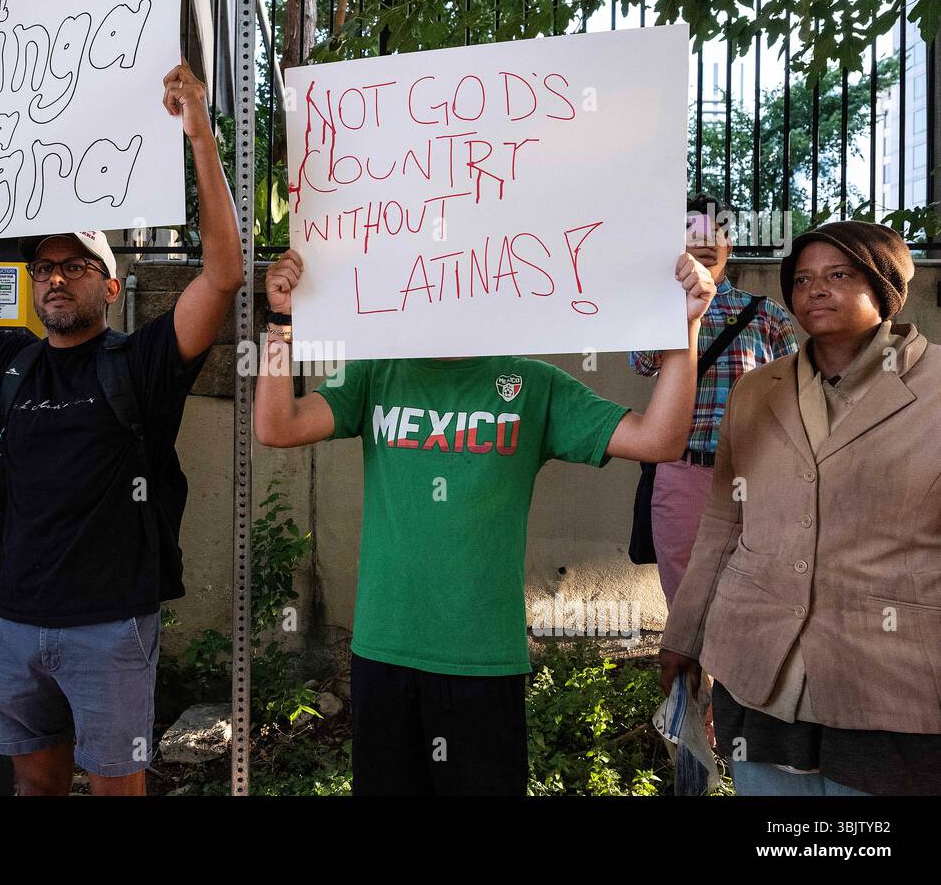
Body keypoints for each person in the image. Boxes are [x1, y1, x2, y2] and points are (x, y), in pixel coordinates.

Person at [0, 59, 241, 796]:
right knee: (34, 788)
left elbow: (221, 274)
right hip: (18, 624)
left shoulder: (143, 360)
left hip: (112, 626)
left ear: (111, 285)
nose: (56, 276)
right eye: (43, 266)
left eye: (76, 265)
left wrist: (200, 140)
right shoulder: (8, 361)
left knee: (115, 789)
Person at [255, 247, 717, 795]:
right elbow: (277, 426)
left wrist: (683, 332)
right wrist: (280, 325)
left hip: (483, 660)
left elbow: (659, 440)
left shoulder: (533, 383)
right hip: (384, 650)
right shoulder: (378, 372)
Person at [659, 221, 941, 796]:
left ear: (885, 288)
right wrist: (683, 636)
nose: (817, 289)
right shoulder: (757, 390)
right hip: (760, 675)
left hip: (892, 685)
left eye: (840, 275)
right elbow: (722, 524)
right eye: (804, 278)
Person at [629, 193, 797, 606]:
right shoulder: (658, 309)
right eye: (689, 232)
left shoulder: (768, 313)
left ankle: (739, 674)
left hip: (756, 474)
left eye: (714, 231)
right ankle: (689, 673)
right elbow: (642, 362)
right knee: (686, 601)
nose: (702, 240)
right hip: (684, 471)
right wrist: (679, 309)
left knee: (753, 596)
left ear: (730, 246)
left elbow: (795, 393)